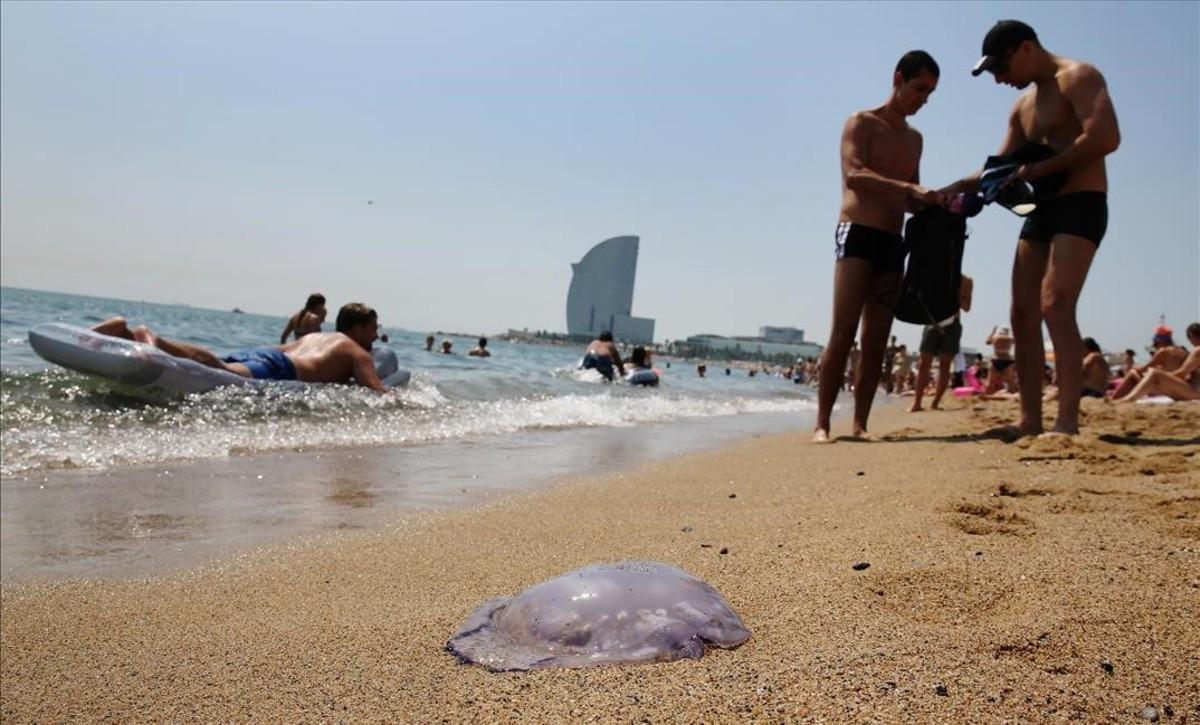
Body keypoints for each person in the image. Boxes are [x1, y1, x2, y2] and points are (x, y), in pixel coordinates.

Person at [942, 20, 1121, 436]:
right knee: (1021, 311)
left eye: (1000, 68)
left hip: (1082, 201)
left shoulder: (1080, 76)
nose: (999, 79)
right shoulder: (1021, 106)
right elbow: (999, 169)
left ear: (1025, 48)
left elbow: (1106, 137)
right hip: (1041, 209)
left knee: (1055, 305)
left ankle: (1067, 423)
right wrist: (950, 189)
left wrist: (1039, 168)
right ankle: (1029, 420)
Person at [813, 50, 942, 443]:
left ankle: (860, 424)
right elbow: (854, 175)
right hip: (856, 232)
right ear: (898, 79)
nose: (924, 99)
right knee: (843, 331)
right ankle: (822, 424)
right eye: (920, 88)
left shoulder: (915, 139)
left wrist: (937, 200)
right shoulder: (861, 122)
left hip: (892, 240)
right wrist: (909, 189)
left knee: (876, 339)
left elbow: (911, 198)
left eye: (931, 93)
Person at [91, 303, 390, 392]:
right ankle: (149, 338)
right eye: (373, 329)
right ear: (357, 328)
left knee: (215, 365)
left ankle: (129, 336)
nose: (375, 337)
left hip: (265, 355)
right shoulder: (356, 351)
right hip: (278, 368)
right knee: (218, 370)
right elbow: (376, 390)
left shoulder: (315, 338)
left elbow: (280, 347)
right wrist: (413, 403)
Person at [910, 274, 974, 411]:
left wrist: (955, 294)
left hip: (952, 325)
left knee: (945, 365)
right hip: (932, 323)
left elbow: (967, 307)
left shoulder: (966, 280)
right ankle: (917, 403)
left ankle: (935, 402)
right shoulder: (933, 275)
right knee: (924, 364)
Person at [1115, 323, 1200, 403]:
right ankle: (1125, 399)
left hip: (1195, 392)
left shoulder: (1197, 351)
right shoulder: (1183, 351)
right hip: (1193, 390)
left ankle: (1126, 399)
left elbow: (1182, 374)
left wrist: (1161, 377)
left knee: (1153, 374)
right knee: (1154, 375)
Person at [985, 325, 1018, 395]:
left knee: (990, 382)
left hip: (995, 359)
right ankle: (1015, 397)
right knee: (1011, 382)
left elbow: (987, 342)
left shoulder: (995, 338)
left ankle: (987, 396)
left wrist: (993, 332)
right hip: (1007, 360)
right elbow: (1018, 342)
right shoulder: (1010, 339)